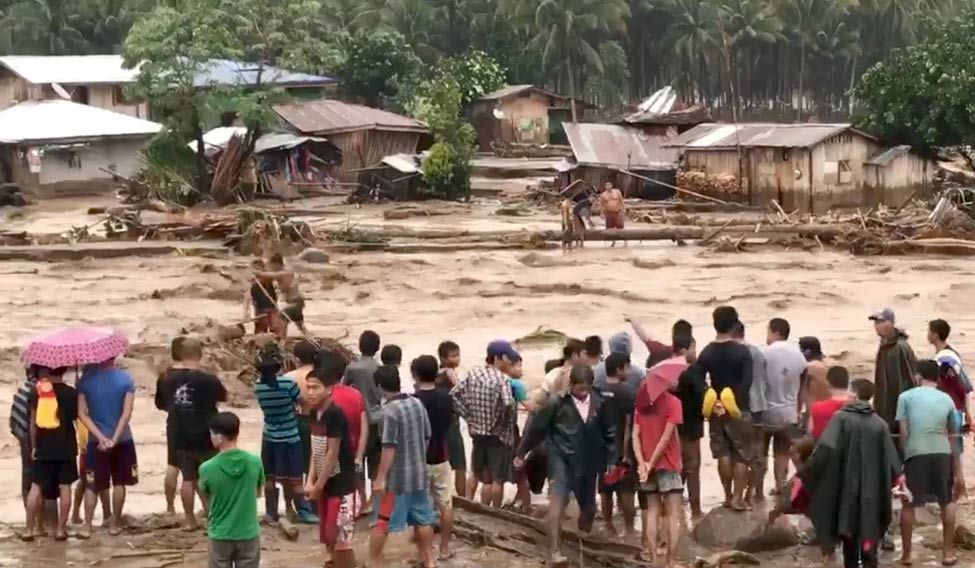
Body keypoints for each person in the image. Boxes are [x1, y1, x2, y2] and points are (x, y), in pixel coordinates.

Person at [516, 366, 616, 566]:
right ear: (571, 386)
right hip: (561, 459)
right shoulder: (556, 402)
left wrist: (612, 460)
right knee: (556, 505)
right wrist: (521, 452)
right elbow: (537, 428)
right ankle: (554, 551)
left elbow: (610, 432)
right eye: (579, 389)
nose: (583, 393)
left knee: (588, 508)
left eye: (586, 389)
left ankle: (582, 543)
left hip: (588, 462)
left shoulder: (600, 401)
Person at [800, 378, 901, 568]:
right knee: (869, 537)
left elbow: (825, 450)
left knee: (849, 539)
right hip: (872, 493)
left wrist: (806, 472)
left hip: (845, 490)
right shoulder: (880, 424)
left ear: (853, 395)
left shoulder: (840, 419)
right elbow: (892, 461)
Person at [158, 337, 228, 531]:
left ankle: (189, 520)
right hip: (206, 433)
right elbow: (223, 398)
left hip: (179, 432)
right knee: (209, 476)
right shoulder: (209, 379)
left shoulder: (166, 378)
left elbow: (161, 404)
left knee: (188, 478)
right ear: (200, 354)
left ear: (179, 354)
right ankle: (213, 515)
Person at [369, 365, 436, 568]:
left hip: (396, 481)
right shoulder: (417, 403)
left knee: (382, 521)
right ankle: (430, 561)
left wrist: (380, 478)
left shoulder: (388, 412)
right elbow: (427, 435)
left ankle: (372, 562)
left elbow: (389, 447)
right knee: (423, 520)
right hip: (419, 475)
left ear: (380, 387)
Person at [896, 359, 958, 567]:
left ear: (918, 376)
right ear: (938, 378)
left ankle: (906, 555)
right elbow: (952, 432)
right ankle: (948, 554)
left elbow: (904, 431)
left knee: (908, 503)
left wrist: (905, 456)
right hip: (942, 453)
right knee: (946, 501)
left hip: (916, 453)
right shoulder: (947, 399)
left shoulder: (905, 397)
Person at [695, 306, 754, 512]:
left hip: (715, 409)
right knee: (741, 454)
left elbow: (695, 376)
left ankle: (727, 496)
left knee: (722, 453)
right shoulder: (742, 352)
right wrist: (732, 400)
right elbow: (748, 381)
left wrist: (712, 397)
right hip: (739, 408)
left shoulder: (707, 352)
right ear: (734, 324)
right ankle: (738, 498)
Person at [253, 344, 317, 524]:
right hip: (290, 435)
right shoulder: (288, 384)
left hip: (269, 435)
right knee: (295, 478)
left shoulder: (258, 387)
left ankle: (271, 512)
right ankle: (304, 512)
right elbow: (303, 402)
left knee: (270, 477)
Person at [305, 355, 359, 568]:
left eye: (315, 388)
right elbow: (315, 448)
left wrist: (318, 485)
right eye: (308, 387)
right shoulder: (313, 413)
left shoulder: (335, 414)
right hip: (324, 482)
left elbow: (332, 453)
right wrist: (311, 479)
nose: (310, 392)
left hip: (341, 485)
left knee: (342, 540)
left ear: (329, 389)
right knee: (328, 536)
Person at [633, 353, 684, 567]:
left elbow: (635, 435)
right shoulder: (673, 402)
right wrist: (652, 462)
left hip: (646, 464)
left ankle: (654, 558)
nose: (676, 380)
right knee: (673, 514)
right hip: (668, 463)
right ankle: (670, 560)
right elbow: (666, 437)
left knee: (652, 510)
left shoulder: (641, 404)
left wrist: (642, 463)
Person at [452, 341, 518, 507]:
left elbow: (453, 395)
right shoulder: (502, 379)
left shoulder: (473, 374)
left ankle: (468, 504)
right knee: (497, 479)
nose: (509, 361)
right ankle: (495, 511)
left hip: (477, 432)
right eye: (507, 357)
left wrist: (467, 415)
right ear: (498, 358)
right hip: (497, 436)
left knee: (476, 473)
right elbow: (509, 403)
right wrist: (502, 423)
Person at [77, 359, 137, 537]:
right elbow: (127, 413)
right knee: (119, 483)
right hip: (123, 439)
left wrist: (101, 438)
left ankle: (87, 527)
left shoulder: (85, 381)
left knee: (92, 485)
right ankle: (114, 524)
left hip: (96, 441)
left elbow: (81, 414)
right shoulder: (125, 378)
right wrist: (114, 438)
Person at [199, 412, 264, 568]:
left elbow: (205, 496)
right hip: (248, 532)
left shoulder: (207, 468)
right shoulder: (254, 462)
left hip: (220, 533)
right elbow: (258, 493)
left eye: (212, 434)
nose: (211, 438)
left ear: (220, 437)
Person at [24, 366, 77, 541]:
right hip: (66, 446)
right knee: (65, 487)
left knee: (36, 486)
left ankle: (29, 530)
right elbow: (76, 417)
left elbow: (33, 423)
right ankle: (60, 530)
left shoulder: (37, 391)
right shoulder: (70, 393)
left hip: (43, 446)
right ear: (64, 369)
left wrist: (33, 446)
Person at [756, 318, 807, 497]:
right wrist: (798, 409)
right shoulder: (799, 355)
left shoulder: (763, 353)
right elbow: (802, 386)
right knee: (782, 453)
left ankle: (758, 491)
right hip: (788, 411)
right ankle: (780, 487)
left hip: (765, 412)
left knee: (760, 452)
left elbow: (756, 384)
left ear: (775, 333)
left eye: (768, 332)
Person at [412, 355, 456, 561]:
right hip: (441, 456)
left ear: (416, 374)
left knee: (422, 509)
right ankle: (445, 549)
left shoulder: (414, 400)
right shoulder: (446, 397)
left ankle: (424, 554)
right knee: (445, 504)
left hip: (419, 461)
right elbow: (449, 423)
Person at [595, 352, 637, 538]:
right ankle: (629, 527)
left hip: (602, 448)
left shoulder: (596, 389)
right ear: (619, 369)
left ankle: (609, 525)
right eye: (627, 367)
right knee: (626, 489)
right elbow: (628, 425)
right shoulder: (627, 392)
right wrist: (627, 452)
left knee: (605, 488)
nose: (628, 371)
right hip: (620, 446)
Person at [928, 318, 971, 497]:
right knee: (953, 450)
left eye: (929, 331)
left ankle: (959, 488)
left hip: (950, 409)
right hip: (954, 408)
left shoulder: (946, 359)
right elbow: (966, 387)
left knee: (953, 451)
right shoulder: (949, 356)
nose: (927, 334)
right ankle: (958, 488)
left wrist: (967, 414)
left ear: (935, 335)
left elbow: (963, 385)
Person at [342, 330, 382, 512]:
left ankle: (363, 501)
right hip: (378, 418)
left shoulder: (353, 368)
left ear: (360, 346)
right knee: (375, 461)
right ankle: (375, 500)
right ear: (377, 348)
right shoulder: (380, 368)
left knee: (358, 461)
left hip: (358, 419)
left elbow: (343, 388)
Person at [155, 336, 194, 515]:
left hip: (174, 424)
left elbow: (160, 404)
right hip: (197, 424)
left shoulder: (164, 376)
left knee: (173, 465)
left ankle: (170, 507)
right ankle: (198, 510)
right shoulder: (198, 375)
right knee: (197, 469)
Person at [731, 321, 768, 503]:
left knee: (738, 452)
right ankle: (754, 492)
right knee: (757, 452)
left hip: (742, 406)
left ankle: (735, 494)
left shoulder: (734, 353)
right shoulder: (758, 352)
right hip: (759, 405)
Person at [870, 308, 918, 435]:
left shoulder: (900, 347)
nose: (877, 326)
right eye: (876, 322)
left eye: (881, 321)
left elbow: (911, 378)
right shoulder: (884, 346)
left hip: (898, 410)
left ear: (891, 323)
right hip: (884, 409)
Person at [672, 331, 705, 519]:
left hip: (671, 428)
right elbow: (703, 394)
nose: (695, 351)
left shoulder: (666, 369)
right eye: (693, 347)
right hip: (691, 427)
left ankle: (671, 508)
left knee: (677, 469)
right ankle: (695, 510)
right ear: (685, 349)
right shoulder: (692, 371)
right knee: (692, 469)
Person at [284, 341, 317, 483]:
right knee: (316, 462)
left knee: (295, 464)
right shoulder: (321, 375)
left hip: (297, 421)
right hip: (320, 421)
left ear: (296, 359)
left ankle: (293, 502)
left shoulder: (289, 377)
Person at [437, 341, 467, 498]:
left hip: (438, 424)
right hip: (452, 424)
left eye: (458, 355)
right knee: (460, 465)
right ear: (443, 358)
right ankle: (462, 498)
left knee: (443, 463)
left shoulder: (436, 373)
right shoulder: (449, 372)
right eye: (453, 356)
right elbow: (461, 388)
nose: (457, 359)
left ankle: (444, 496)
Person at [256, 253, 309, 338]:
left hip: (296, 302)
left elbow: (271, 275)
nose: (271, 267)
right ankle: (310, 338)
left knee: (282, 316)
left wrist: (256, 272)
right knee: (300, 327)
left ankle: (283, 340)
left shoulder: (285, 272)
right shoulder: (281, 270)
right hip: (295, 301)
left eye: (272, 265)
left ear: (277, 264)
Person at [809, 366, 851, 440]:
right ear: (848, 383)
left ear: (828, 383)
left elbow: (811, 430)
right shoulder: (859, 407)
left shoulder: (817, 407)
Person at [798, 336, 828, 430]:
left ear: (807, 352)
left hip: (813, 413)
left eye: (800, 349)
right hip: (827, 411)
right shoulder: (825, 365)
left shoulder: (808, 368)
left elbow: (800, 392)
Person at [247, 259, 278, 335]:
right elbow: (248, 298)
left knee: (274, 329)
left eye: (257, 268)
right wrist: (247, 313)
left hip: (271, 308)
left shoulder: (268, 278)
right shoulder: (254, 284)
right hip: (260, 310)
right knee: (260, 331)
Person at [597, 180, 625, 246]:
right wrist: (601, 213)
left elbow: (621, 201)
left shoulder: (617, 192)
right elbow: (601, 205)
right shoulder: (603, 195)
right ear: (605, 187)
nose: (608, 187)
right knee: (610, 228)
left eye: (609, 185)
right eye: (606, 185)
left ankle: (625, 241)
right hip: (609, 212)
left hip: (617, 211)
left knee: (620, 226)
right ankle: (613, 242)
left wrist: (623, 210)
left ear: (612, 186)